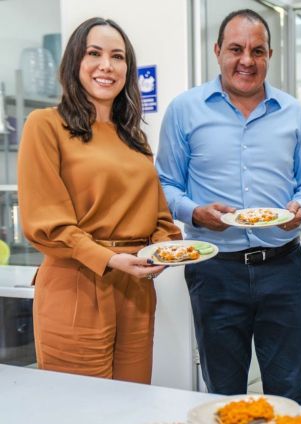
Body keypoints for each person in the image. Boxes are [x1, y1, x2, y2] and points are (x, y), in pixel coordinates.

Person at [156, 9, 301, 404]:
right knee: (223, 392)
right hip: (215, 271)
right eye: (236, 49)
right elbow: (164, 184)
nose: (247, 60)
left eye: (257, 51)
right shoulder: (185, 109)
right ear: (217, 51)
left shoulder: (293, 113)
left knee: (288, 390)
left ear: (269, 55)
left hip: (282, 268)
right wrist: (194, 213)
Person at [17, 17, 181, 383]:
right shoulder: (45, 125)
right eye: (94, 53)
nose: (106, 65)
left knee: (133, 401)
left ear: (127, 68)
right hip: (76, 282)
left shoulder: (134, 138)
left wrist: (164, 249)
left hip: (136, 288)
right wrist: (109, 258)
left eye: (117, 57)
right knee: (82, 405)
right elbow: (45, 222)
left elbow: (159, 217)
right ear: (75, 61)